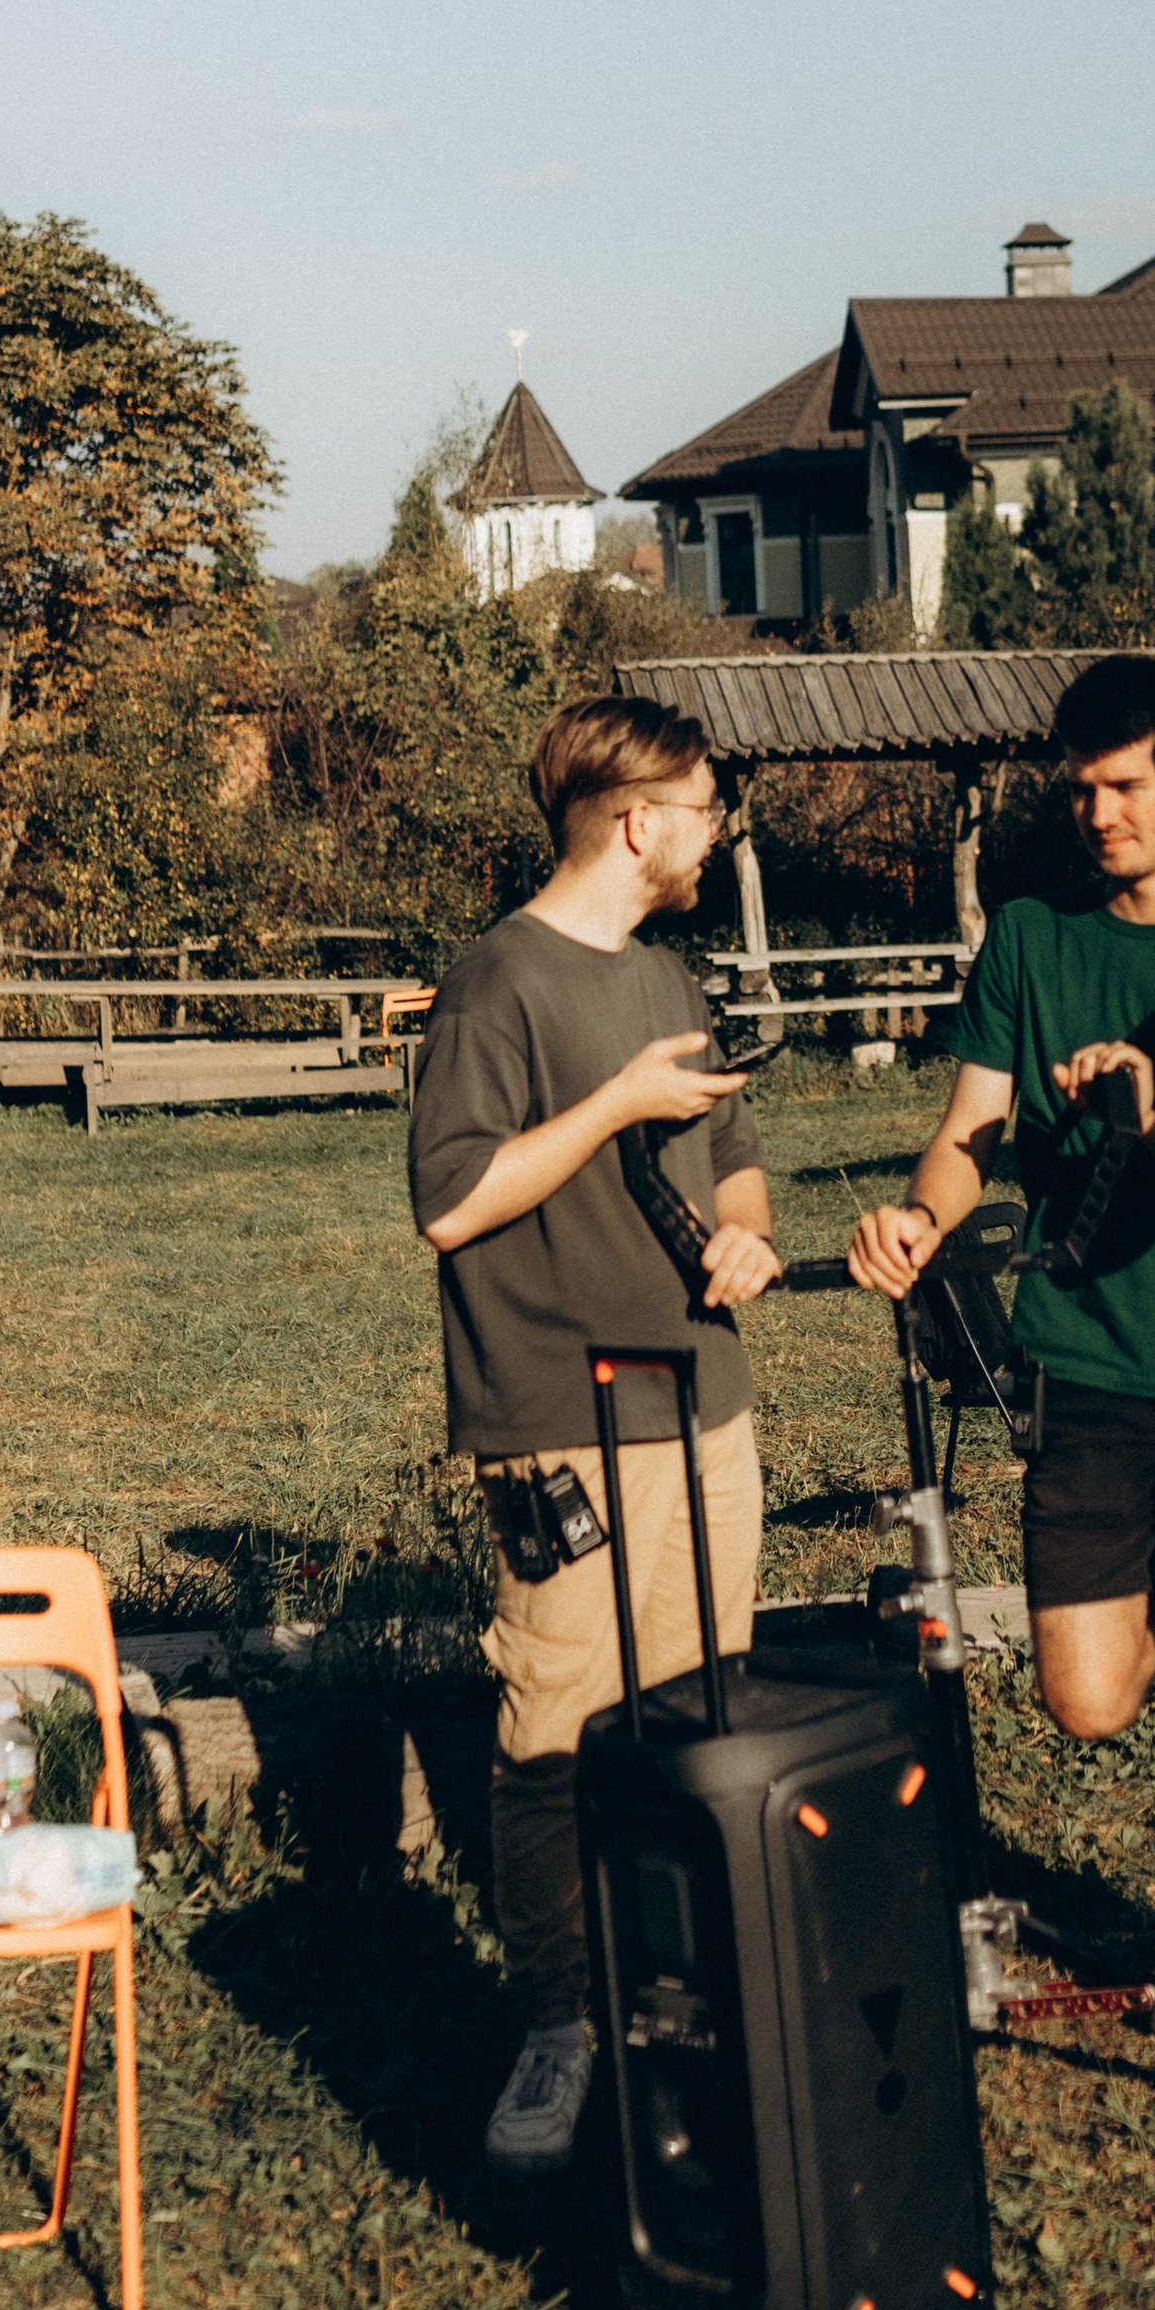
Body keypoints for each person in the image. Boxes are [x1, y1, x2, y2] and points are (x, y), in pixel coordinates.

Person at [847, 653, 1155, 2087]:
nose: (1100, 814)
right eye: (1079, 789)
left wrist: (1150, 1125)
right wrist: (919, 1213)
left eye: (1126, 786)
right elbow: (969, 1130)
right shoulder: (1028, 937)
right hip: (1085, 1360)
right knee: (1088, 1698)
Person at [409, 694, 781, 2179]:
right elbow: (450, 1203)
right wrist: (613, 1101)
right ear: (638, 824)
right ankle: (559, 2027)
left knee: (705, 1720)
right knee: (556, 1734)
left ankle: (680, 2003)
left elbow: (733, 1172)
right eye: (700, 810)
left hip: (709, 1412)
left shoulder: (668, 975)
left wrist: (746, 1243)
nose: (714, 832)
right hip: (560, 1424)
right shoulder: (496, 985)